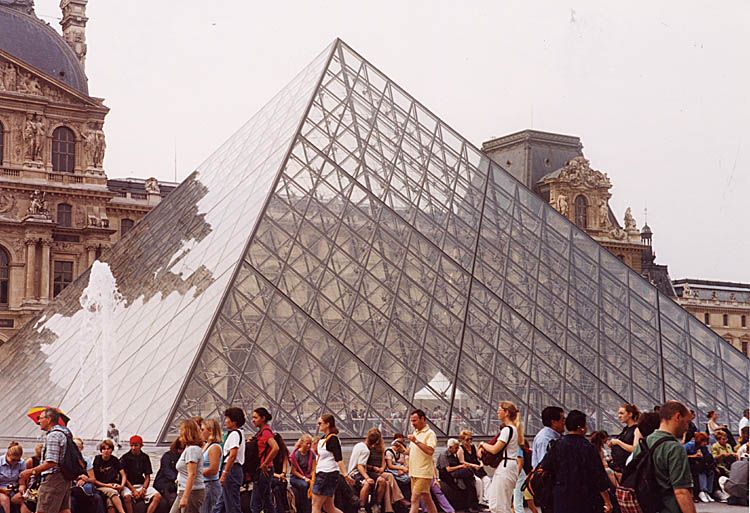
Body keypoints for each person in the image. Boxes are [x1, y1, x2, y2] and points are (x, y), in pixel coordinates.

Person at [540, 410, 612, 513]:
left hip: (561, 497)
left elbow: (546, 467)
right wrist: (607, 501)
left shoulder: (557, 445)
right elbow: (599, 477)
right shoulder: (588, 448)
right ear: (581, 428)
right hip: (584, 498)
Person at [631, 400, 696, 513]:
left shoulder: (643, 443)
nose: (687, 428)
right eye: (687, 422)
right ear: (678, 417)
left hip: (646, 507)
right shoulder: (675, 448)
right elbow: (681, 491)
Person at [19, 409, 74, 513]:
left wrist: (31, 471)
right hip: (64, 478)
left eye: (40, 418)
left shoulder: (53, 435)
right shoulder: (66, 433)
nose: (39, 421)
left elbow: (51, 462)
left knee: (44, 510)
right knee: (64, 510)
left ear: (48, 420)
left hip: (53, 479)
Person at [477, 401, 522, 513]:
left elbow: (494, 449)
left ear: (506, 413)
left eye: (499, 410)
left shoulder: (507, 430)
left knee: (498, 504)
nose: (497, 412)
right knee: (503, 503)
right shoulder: (514, 429)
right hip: (510, 466)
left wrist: (482, 444)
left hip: (506, 468)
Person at [311, 414, 354, 513]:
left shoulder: (332, 439)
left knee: (315, 505)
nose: (318, 425)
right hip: (328, 473)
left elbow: (339, 459)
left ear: (328, 424)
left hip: (325, 474)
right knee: (329, 507)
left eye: (320, 423)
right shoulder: (324, 438)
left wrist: (346, 475)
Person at [212, 407, 245, 513]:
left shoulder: (234, 434)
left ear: (234, 421)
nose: (225, 421)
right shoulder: (239, 433)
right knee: (222, 502)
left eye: (227, 418)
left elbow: (232, 455)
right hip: (234, 470)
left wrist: (224, 473)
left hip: (231, 470)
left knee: (232, 504)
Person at [170, 420, 205, 513]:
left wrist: (185, 497)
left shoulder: (192, 450)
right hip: (185, 490)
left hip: (191, 492)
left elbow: (192, 474)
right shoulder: (189, 449)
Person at [406, 410, 437, 513]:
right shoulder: (415, 433)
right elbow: (410, 451)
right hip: (414, 472)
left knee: (414, 499)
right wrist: (401, 449)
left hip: (423, 472)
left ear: (423, 419)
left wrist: (415, 441)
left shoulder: (430, 434)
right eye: (411, 421)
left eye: (414, 421)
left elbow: (430, 451)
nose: (412, 423)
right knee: (426, 497)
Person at [120, 436, 161, 513]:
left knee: (157, 496)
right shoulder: (125, 458)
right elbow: (124, 477)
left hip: (141, 484)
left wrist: (144, 488)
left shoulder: (145, 457)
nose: (133, 448)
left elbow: (147, 476)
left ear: (141, 446)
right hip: (128, 486)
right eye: (131, 445)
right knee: (127, 497)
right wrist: (133, 490)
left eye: (136, 445)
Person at [436, 439, 477, 512]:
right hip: (449, 475)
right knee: (468, 472)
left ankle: (471, 504)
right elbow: (448, 469)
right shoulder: (444, 455)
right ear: (450, 447)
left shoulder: (453, 455)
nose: (457, 450)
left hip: (455, 472)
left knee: (469, 481)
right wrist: (460, 467)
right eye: (456, 448)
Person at [88, 439, 127, 513]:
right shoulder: (97, 460)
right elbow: (94, 479)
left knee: (110, 504)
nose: (106, 451)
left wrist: (122, 485)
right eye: (104, 449)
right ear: (101, 450)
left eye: (108, 449)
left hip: (112, 486)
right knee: (112, 492)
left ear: (111, 450)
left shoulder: (114, 460)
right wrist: (107, 485)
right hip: (101, 486)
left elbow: (123, 474)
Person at [70, 438, 104, 513]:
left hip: (85, 489)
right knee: (71, 500)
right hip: (73, 488)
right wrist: (79, 478)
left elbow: (93, 479)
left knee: (97, 498)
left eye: (78, 447)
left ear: (81, 448)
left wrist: (85, 479)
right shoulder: (69, 461)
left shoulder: (86, 460)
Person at [457, 430, 489, 506]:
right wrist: (473, 465)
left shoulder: (473, 447)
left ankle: (488, 498)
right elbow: (462, 461)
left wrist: (481, 463)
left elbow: (478, 457)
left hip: (477, 468)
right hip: (470, 469)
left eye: (471, 439)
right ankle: (480, 500)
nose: (469, 441)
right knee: (478, 482)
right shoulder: (460, 449)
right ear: (462, 440)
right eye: (467, 440)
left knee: (487, 480)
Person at [684, 433, 717, 503]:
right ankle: (702, 490)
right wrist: (694, 456)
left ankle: (707, 491)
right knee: (701, 471)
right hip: (689, 464)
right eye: (704, 441)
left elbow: (707, 456)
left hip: (700, 464)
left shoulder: (704, 448)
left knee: (711, 471)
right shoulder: (689, 445)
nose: (706, 443)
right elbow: (682, 456)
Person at [607, 403, 639, 472]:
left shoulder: (636, 429)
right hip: (620, 466)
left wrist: (618, 442)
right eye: (618, 413)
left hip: (629, 468)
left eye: (622, 413)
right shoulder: (626, 429)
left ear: (630, 414)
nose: (619, 416)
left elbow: (635, 449)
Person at [200, 420, 223, 513]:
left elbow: (213, 470)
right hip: (205, 483)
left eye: (202, 430)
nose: (200, 432)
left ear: (210, 431)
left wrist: (196, 473)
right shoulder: (206, 445)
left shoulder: (214, 447)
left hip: (210, 485)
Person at [0, 443, 30, 513]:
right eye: (13, 460)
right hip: (1, 488)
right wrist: (3, 490)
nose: (15, 463)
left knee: (23, 500)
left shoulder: (21, 463)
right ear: (7, 455)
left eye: (17, 460)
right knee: (5, 500)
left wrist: (22, 487)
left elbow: (22, 481)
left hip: (14, 488)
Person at [289, 435, 314, 513]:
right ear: (302, 443)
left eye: (310, 444)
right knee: (304, 485)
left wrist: (312, 478)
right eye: (307, 444)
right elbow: (294, 471)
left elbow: (313, 469)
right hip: (296, 477)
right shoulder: (296, 454)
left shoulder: (311, 454)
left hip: (308, 476)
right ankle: (304, 508)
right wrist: (304, 478)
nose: (309, 446)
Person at [153, 439, 182, 507]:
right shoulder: (167, 456)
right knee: (173, 499)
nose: (181, 451)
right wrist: (178, 479)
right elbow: (167, 471)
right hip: (165, 483)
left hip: (176, 484)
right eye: (180, 449)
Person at [270, 434, 289, 513]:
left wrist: (283, 473)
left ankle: (280, 510)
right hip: (272, 475)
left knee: (277, 489)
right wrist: (279, 475)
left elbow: (285, 463)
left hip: (279, 476)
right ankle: (285, 507)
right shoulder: (269, 452)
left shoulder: (282, 451)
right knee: (280, 484)